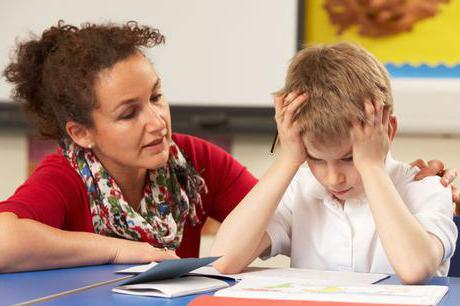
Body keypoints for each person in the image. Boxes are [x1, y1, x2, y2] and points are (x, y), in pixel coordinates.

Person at [0, 21, 455, 273]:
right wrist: (114, 248)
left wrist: (374, 170)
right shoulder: (66, 175)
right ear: (82, 132)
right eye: (128, 113)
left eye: (157, 97)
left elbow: (255, 226)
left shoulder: (192, 161)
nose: (157, 121)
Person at [211, 42, 458, 284]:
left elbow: (414, 269)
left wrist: (370, 166)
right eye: (316, 158)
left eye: (349, 158)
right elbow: (222, 261)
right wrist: (288, 159)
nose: (334, 178)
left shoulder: (426, 186)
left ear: (387, 131)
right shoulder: (299, 190)